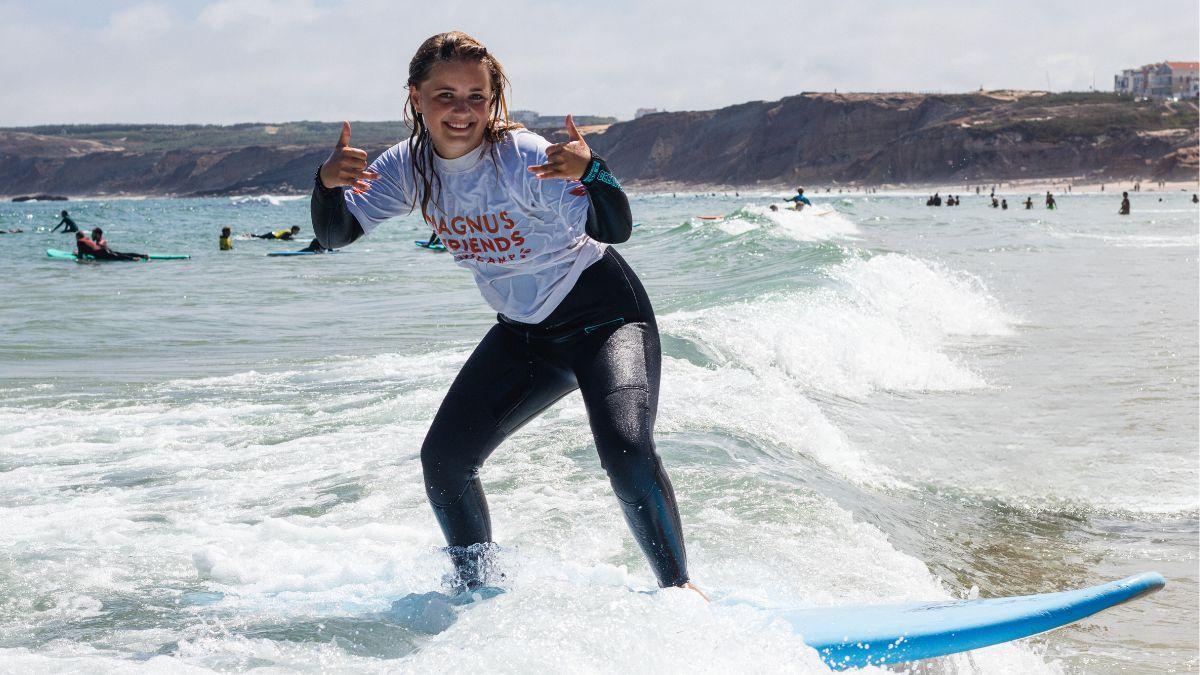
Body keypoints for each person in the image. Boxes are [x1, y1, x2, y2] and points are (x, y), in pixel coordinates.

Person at [309, 31, 701, 598]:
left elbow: (615, 231)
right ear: (416, 97)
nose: (462, 110)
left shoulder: (521, 156)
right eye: (446, 95)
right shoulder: (408, 166)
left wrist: (593, 171)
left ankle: (679, 591)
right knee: (444, 461)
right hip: (526, 335)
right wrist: (324, 185)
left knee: (625, 448)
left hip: (605, 318)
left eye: (477, 96)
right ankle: (477, 594)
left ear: (494, 100)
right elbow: (337, 233)